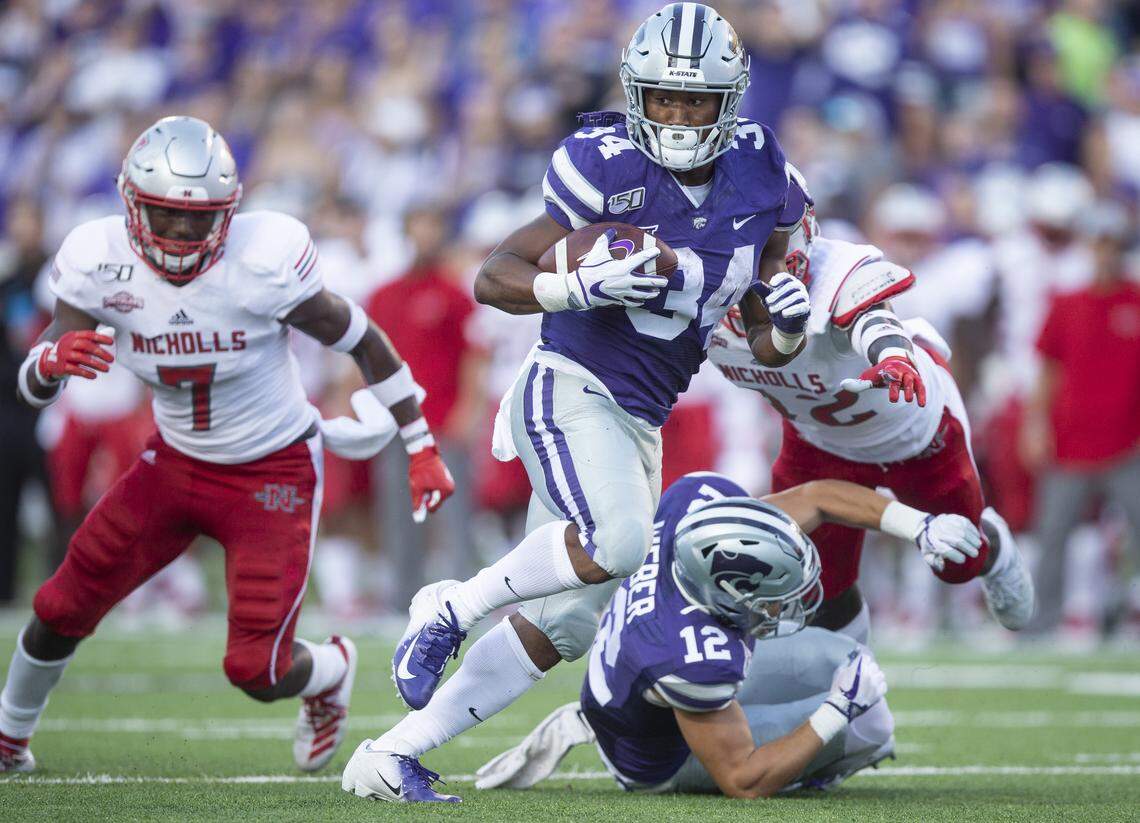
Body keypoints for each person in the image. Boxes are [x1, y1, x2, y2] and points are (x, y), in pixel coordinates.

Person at [343, 2, 812, 800]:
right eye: (662, 97)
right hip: (567, 383)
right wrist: (572, 282)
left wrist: (790, 335)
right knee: (621, 541)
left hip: (642, 413)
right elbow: (494, 273)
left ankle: (388, 755)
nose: (676, 114)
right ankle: (450, 608)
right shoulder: (605, 164)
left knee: (564, 620)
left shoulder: (765, 176)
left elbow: (763, 325)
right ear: (635, 93)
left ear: (728, 102)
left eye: (694, 100)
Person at [0, 116, 455, 774]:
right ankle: (10, 738)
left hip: (272, 471)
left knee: (257, 667)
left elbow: (362, 338)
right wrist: (47, 365)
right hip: (173, 463)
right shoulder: (97, 261)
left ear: (230, 212)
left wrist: (419, 443)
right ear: (131, 202)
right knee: (60, 602)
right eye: (166, 216)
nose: (183, 235)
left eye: (200, 219)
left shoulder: (264, 259)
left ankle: (330, 671)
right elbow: (28, 389)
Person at [359, 471, 981, 801]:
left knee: (845, 655)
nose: (788, 606)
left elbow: (817, 497)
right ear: (724, 597)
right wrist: (834, 715)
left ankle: (609, 713)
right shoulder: (690, 653)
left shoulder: (696, 506)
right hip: (658, 754)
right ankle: (629, 745)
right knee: (870, 725)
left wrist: (915, 524)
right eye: (770, 598)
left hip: (636, 670)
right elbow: (742, 780)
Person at [706, 170, 1034, 643]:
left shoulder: (834, 271)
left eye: (770, 242)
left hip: (915, 432)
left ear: (802, 232)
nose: (759, 261)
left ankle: (995, 548)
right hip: (818, 443)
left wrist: (895, 357)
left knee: (956, 561)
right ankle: (841, 673)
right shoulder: (700, 301)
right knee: (811, 579)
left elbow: (873, 321)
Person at [1021, 202, 1140, 634]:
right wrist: (1036, 425)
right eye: (1099, 244)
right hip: (1071, 441)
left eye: (1112, 244)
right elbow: (1048, 370)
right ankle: (1040, 625)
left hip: (1128, 442)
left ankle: (1126, 615)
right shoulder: (1067, 302)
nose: (1105, 252)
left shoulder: (1136, 300)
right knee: (1052, 536)